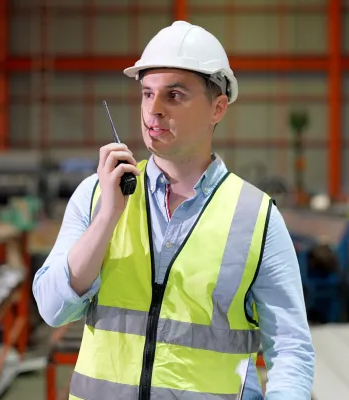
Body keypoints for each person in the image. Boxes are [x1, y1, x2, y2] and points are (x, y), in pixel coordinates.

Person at [33, 21, 315, 400]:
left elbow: (291, 348)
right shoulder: (96, 196)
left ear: (218, 108)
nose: (154, 111)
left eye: (174, 96)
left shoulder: (257, 218)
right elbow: (53, 309)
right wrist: (107, 218)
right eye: (147, 94)